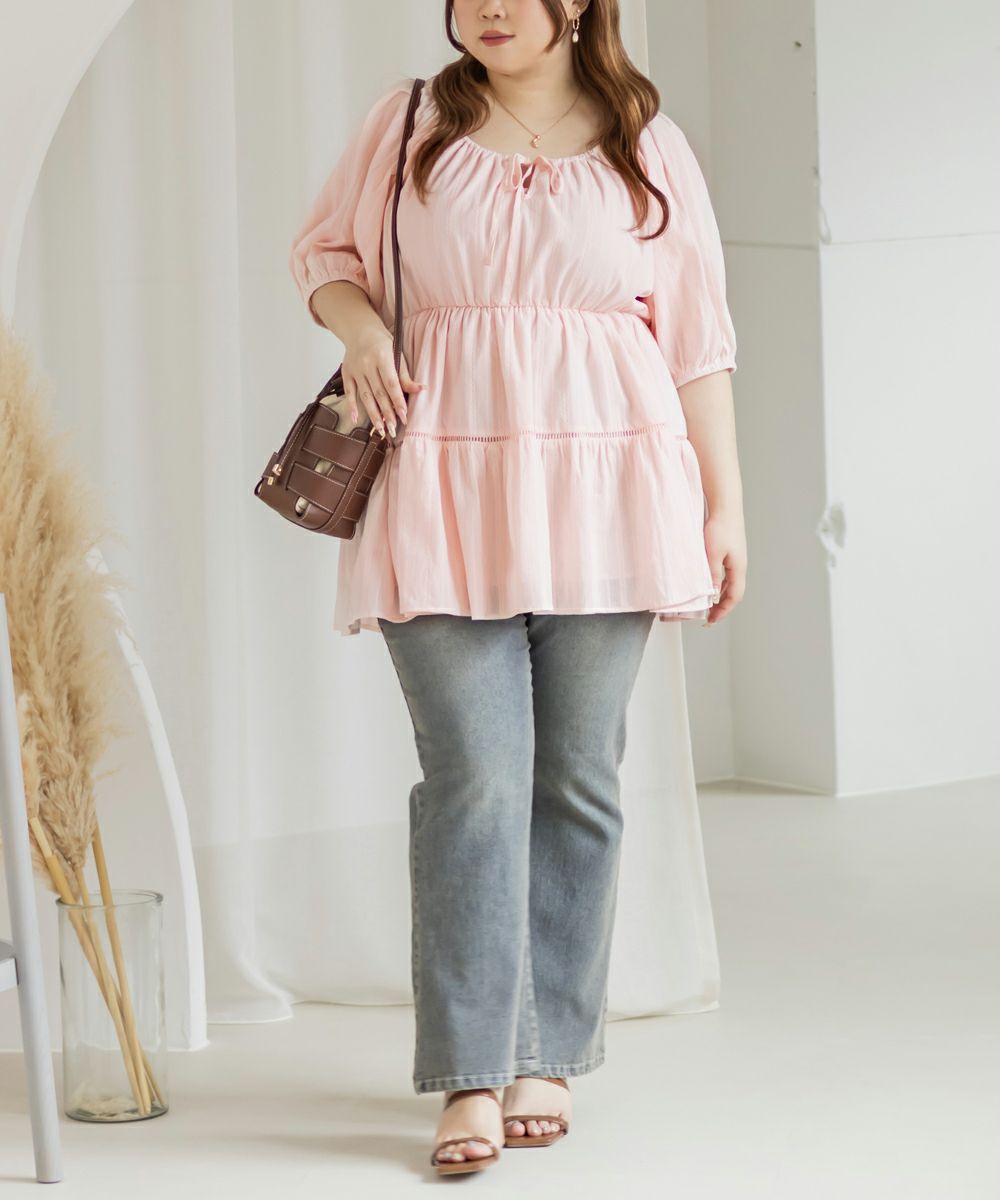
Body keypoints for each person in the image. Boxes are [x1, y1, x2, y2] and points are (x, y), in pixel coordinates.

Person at [288, 0, 746, 1178]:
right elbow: (326, 258)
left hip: (612, 488)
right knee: (474, 781)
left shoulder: (645, 140)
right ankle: (472, 1071)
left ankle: (548, 1054)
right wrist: (362, 335)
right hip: (440, 483)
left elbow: (695, 341)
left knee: (579, 778)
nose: (488, 7)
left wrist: (724, 505)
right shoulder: (408, 125)